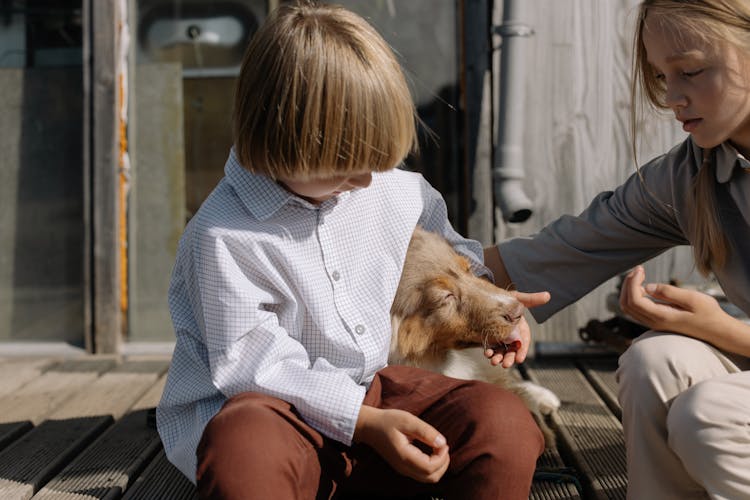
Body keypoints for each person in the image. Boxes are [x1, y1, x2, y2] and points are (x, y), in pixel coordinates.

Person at [156, 2, 545, 499]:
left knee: (503, 421)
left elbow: (457, 258)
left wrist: (495, 315)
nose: (366, 179)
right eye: (347, 163)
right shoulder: (224, 237)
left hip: (383, 392)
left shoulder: (396, 192)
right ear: (282, 140)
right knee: (242, 447)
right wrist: (363, 422)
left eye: (378, 159)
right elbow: (256, 367)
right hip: (279, 412)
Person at [483, 0, 750, 498]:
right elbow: (562, 250)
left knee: (708, 417)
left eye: (690, 71)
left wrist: (725, 331)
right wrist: (394, 265)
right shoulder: (691, 176)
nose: (670, 97)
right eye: (659, 75)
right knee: (654, 363)